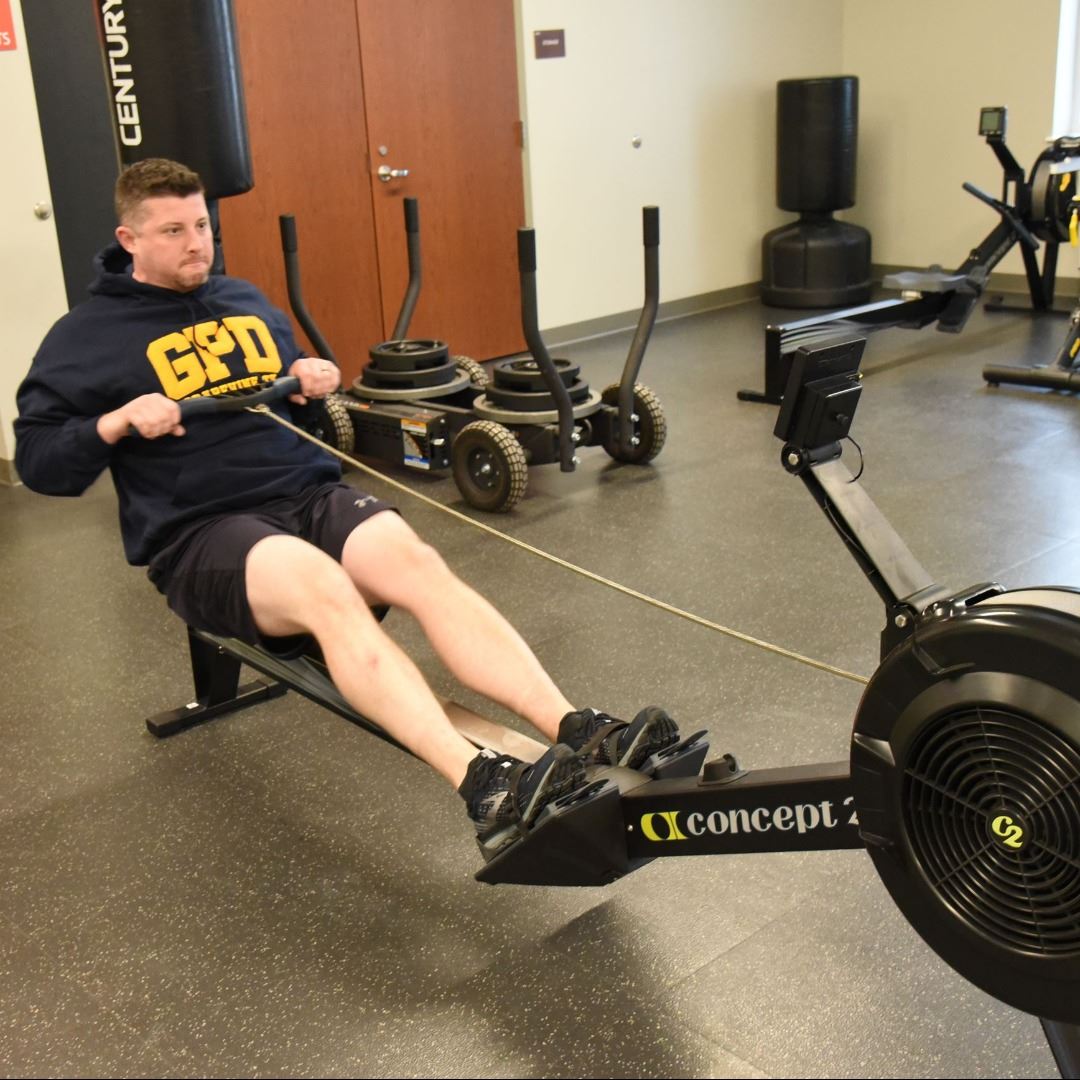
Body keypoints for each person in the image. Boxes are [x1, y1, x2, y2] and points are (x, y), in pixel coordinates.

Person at [15, 157, 681, 859]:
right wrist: (113, 423)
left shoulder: (242, 299)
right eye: (174, 230)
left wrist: (306, 376)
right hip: (202, 530)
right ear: (130, 240)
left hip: (305, 493)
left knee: (418, 565)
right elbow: (38, 460)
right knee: (323, 587)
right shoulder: (84, 337)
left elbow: (287, 376)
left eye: (203, 225)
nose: (196, 243)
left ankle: (574, 725)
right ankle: (480, 782)